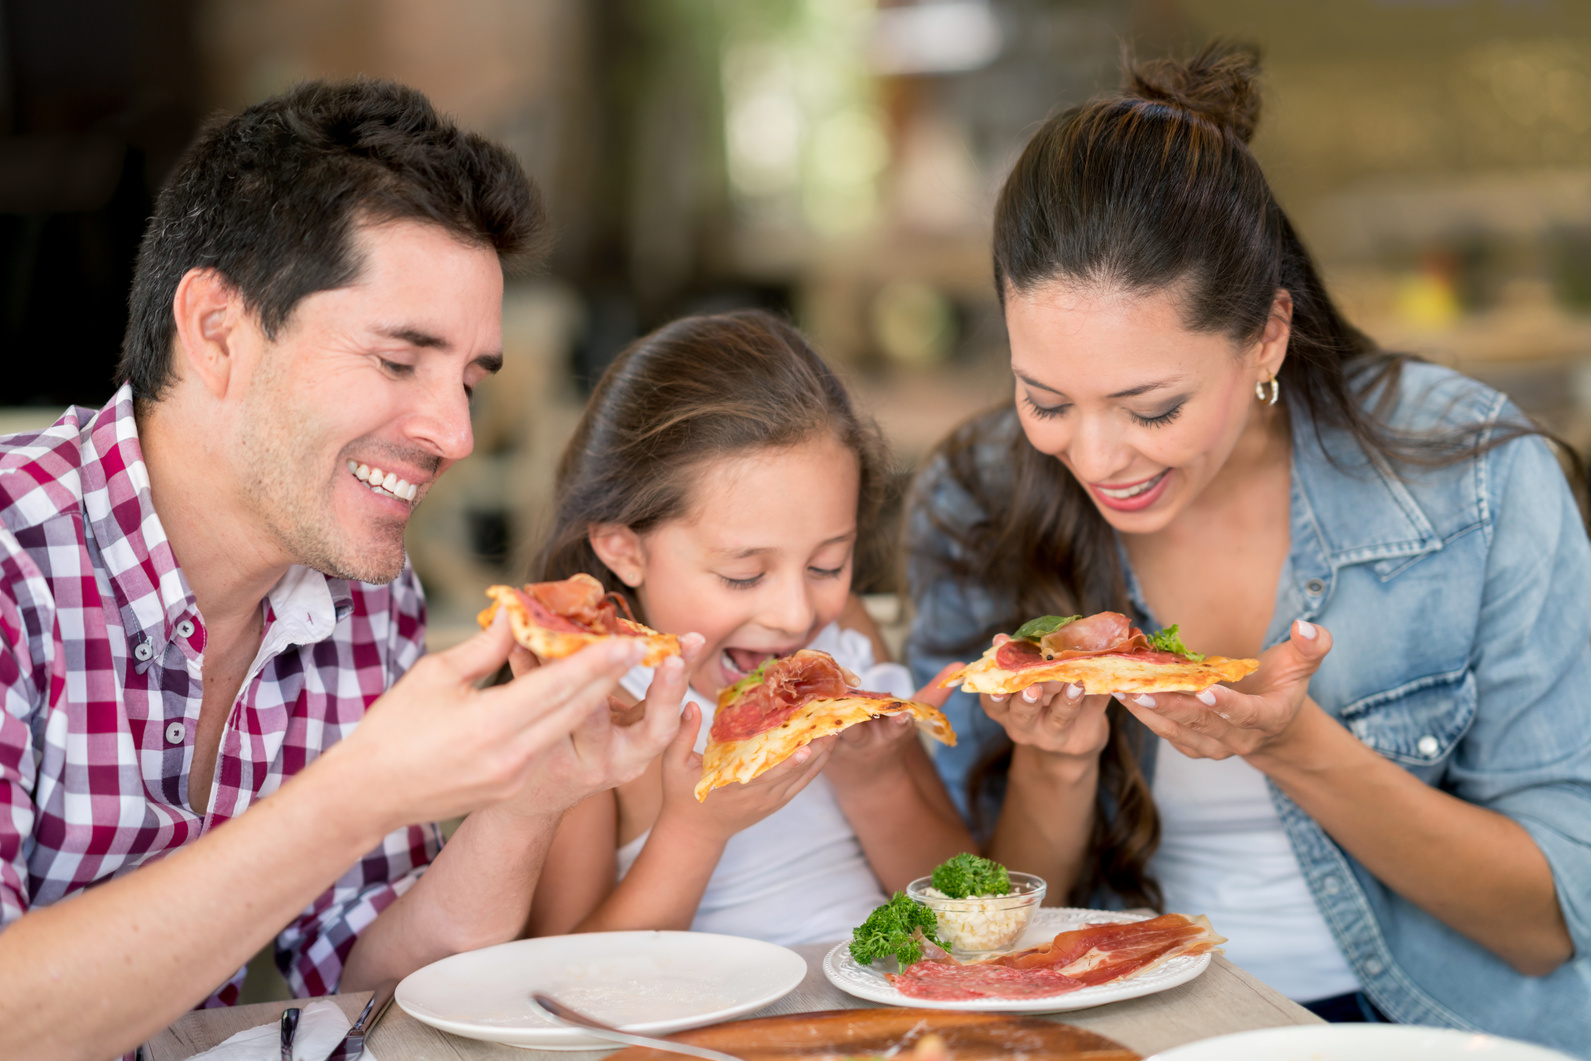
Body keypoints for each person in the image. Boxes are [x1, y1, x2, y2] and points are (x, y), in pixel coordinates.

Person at [904, 43, 1591, 1055]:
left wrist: (1290, 745)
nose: (1094, 457)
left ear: (1267, 334)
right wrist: (1055, 763)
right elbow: (981, 940)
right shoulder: (975, 498)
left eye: (1151, 408)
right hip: (1124, 1029)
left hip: (1437, 1026)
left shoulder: (1472, 473)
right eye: (1044, 400)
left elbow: (1549, 926)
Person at [0, 80, 699, 1060]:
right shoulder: (14, 560)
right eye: (399, 361)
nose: (455, 434)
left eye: (467, 380)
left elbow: (374, 982)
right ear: (216, 331)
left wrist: (529, 796)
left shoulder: (359, 589)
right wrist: (357, 792)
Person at [524, 310, 973, 944]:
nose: (796, 616)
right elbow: (562, 975)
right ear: (624, 550)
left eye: (827, 565)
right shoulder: (589, 705)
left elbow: (965, 913)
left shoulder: (841, 640)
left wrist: (876, 782)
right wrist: (695, 830)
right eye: (743, 575)